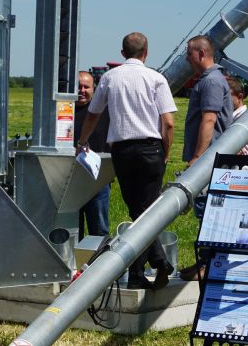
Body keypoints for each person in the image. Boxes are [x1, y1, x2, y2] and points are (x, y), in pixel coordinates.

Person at [76, 32, 177, 290]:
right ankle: (150, 265)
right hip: (150, 148)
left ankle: (146, 267)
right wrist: (165, 151)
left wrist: (82, 141)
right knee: (146, 213)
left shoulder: (109, 78)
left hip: (122, 151)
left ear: (122, 54)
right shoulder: (156, 78)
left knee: (138, 211)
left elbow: (93, 114)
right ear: (146, 52)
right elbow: (168, 122)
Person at [179, 34, 233, 281]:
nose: (186, 58)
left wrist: (198, 158)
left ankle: (209, 266)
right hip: (210, 161)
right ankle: (205, 262)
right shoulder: (209, 79)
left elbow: (209, 119)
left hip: (209, 162)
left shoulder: (211, 81)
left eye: (188, 53)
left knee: (209, 213)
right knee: (206, 212)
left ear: (201, 54)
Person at [74, 71, 111, 240]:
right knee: (73, 228)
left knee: (99, 228)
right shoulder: (64, 111)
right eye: (78, 86)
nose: (82, 90)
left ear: (93, 89)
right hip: (70, 177)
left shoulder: (104, 111)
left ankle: (100, 262)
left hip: (98, 180)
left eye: (86, 87)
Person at [226, 76, 248, 155]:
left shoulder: (244, 118)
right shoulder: (234, 116)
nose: (223, 101)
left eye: (227, 97)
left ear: (240, 96)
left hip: (243, 166)